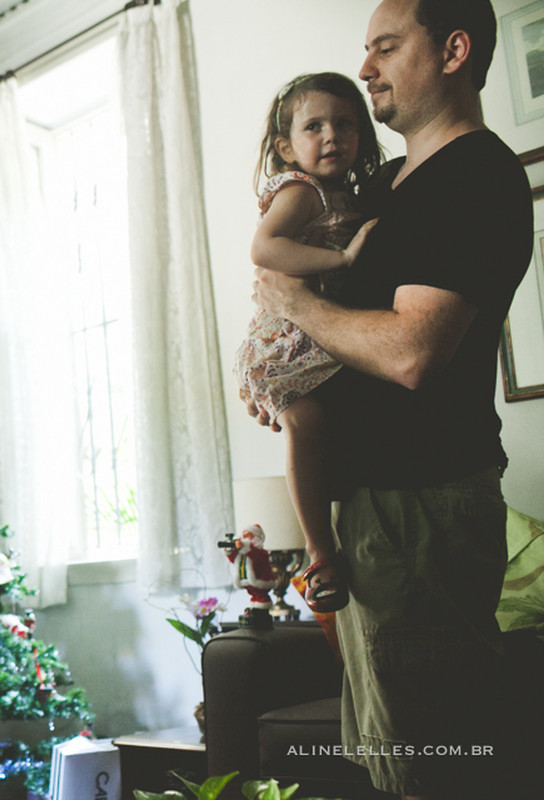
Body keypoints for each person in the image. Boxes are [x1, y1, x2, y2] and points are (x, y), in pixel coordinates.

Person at [252, 1, 532, 797]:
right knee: (395, 755)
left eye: (384, 47)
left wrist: (293, 304)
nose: (366, 68)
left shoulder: (473, 173)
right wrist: (285, 373)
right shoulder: (385, 184)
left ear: (452, 50)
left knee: (436, 758)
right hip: (375, 510)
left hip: (422, 509)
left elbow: (412, 352)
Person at [235, 72, 383, 614]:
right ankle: (319, 552)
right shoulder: (302, 190)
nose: (331, 136)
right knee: (307, 424)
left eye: (345, 124)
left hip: (315, 332)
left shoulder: (349, 193)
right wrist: (340, 260)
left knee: (328, 427)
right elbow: (264, 248)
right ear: (285, 145)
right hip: (284, 340)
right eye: (314, 125)